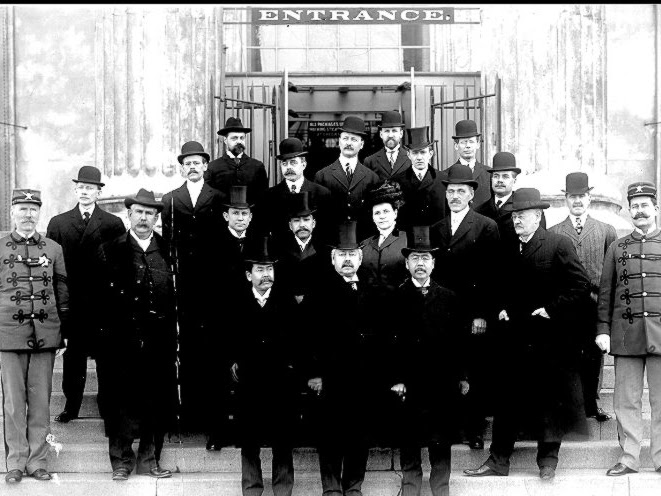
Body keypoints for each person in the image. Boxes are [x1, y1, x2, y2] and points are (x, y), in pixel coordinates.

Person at [464, 188, 590, 480]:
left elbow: (581, 286)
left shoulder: (558, 244)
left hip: (549, 341)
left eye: (522, 216)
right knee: (507, 401)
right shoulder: (507, 247)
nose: (516, 220)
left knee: (550, 402)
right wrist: (502, 309)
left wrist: (551, 309)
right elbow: (497, 287)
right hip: (514, 340)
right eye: (514, 216)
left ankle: (547, 462)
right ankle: (498, 461)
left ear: (538, 216)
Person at [95, 189, 178, 481]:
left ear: (156, 218)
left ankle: (149, 459)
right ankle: (121, 461)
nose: (144, 218)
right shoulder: (110, 249)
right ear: (128, 214)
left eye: (149, 213)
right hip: (121, 342)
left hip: (159, 341)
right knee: (122, 401)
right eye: (139, 212)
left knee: (155, 400)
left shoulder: (168, 249)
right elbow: (98, 300)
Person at [303, 221, 384, 496]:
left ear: (360, 258)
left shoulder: (373, 291)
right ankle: (331, 488)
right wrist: (314, 373)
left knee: (358, 435)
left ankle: (353, 486)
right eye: (341, 254)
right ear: (332, 258)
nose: (347, 260)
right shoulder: (319, 292)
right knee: (331, 435)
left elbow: (381, 337)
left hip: (363, 378)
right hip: (331, 378)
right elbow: (307, 337)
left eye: (352, 255)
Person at [46, 166, 125, 424]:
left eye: (90, 188)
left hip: (103, 302)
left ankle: (107, 406)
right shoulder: (58, 223)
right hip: (73, 302)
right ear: (75, 189)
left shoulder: (113, 224)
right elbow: (51, 266)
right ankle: (72, 406)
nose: (84, 192)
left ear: (99, 192)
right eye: (80, 187)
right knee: (74, 357)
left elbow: (119, 266)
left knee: (107, 358)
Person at [393, 226, 468, 496]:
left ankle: (441, 489)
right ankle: (410, 487)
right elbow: (390, 344)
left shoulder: (449, 298)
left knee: (441, 439)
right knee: (409, 438)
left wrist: (462, 376)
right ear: (406, 263)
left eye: (425, 259)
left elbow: (460, 342)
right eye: (415, 258)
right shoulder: (396, 298)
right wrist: (397, 378)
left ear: (434, 263)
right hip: (409, 383)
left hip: (441, 382)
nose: (420, 264)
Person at [161, 141, 228, 444]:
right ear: (182, 167)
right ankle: (189, 417)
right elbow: (168, 245)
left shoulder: (219, 198)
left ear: (205, 165)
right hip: (184, 286)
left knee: (213, 353)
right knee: (186, 352)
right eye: (187, 162)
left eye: (197, 162)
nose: (192, 167)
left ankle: (214, 423)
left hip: (213, 287)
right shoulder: (170, 200)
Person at [1, 189, 70, 483]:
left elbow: (62, 292)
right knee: (14, 403)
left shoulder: (53, 248)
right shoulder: (0, 247)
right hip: (7, 335)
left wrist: (63, 330)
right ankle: (15, 462)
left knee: (41, 401)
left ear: (39, 213)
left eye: (33, 210)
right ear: (12, 212)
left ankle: (37, 461)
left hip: (46, 333)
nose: (28, 215)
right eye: (22, 209)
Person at [429, 164, 500, 450]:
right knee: (446, 368)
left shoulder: (486, 226)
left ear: (471, 194)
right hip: (443, 312)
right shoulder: (436, 228)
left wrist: (482, 313)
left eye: (461, 191)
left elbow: (491, 276)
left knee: (474, 371)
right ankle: (450, 427)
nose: (455, 196)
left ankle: (475, 430)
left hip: (472, 312)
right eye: (451, 191)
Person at [596, 181, 661, 476]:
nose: (639, 211)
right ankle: (630, 457)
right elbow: (606, 293)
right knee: (626, 402)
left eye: (644, 205)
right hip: (625, 334)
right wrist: (603, 329)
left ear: (656, 208)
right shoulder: (617, 247)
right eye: (634, 206)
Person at [230, 237, 299, 496]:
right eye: (260, 269)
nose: (266, 275)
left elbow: (297, 341)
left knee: (282, 439)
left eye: (270, 269)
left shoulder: (286, 303)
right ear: (249, 275)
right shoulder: (236, 303)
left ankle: (282, 490)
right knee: (249, 440)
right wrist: (233, 360)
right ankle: (252, 488)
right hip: (248, 383)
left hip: (280, 383)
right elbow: (227, 338)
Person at [549, 172, 617, 423]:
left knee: (593, 355)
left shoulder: (606, 230)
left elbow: (612, 272)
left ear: (590, 198)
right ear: (566, 199)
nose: (577, 201)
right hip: (566, 304)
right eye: (572, 196)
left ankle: (592, 403)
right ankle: (569, 406)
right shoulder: (555, 231)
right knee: (567, 355)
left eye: (582, 196)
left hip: (594, 303)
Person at [313, 116, 380, 240]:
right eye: (345, 138)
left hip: (362, 242)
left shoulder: (372, 178)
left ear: (362, 144)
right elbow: (318, 216)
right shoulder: (322, 176)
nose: (349, 143)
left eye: (354, 139)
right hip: (332, 242)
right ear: (339, 141)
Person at [256, 138, 331, 244]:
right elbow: (263, 231)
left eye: (293, 162)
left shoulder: (321, 194)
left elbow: (326, 231)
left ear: (304, 165)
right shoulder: (269, 196)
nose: (288, 167)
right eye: (284, 164)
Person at [273, 192, 328, 304]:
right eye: (297, 220)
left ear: (314, 223)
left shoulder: (325, 249)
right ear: (290, 225)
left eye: (306, 220)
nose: (302, 225)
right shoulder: (278, 249)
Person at [204, 117, 269, 206]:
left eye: (242, 138)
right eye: (234, 138)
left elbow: (263, 198)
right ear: (225, 140)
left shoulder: (257, 166)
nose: (239, 141)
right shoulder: (212, 167)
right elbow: (209, 197)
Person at [393, 126, 448, 230]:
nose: (419, 157)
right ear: (408, 154)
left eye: (423, 152)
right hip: (408, 240)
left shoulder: (443, 179)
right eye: (414, 153)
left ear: (430, 154)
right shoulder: (397, 181)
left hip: (436, 239)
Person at [361, 181, 408, 297]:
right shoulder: (364, 244)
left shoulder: (407, 239)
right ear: (372, 217)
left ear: (395, 213)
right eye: (377, 213)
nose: (382, 216)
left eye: (386, 211)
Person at [440, 119, 492, 207]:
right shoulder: (446, 175)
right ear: (456, 146)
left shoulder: (489, 173)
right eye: (463, 142)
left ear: (478, 144)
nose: (468, 146)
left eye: (471, 141)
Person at [363, 110, 411, 181]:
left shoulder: (411, 159)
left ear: (401, 134)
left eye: (394, 131)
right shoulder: (370, 162)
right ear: (381, 134)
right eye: (387, 131)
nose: (390, 135)